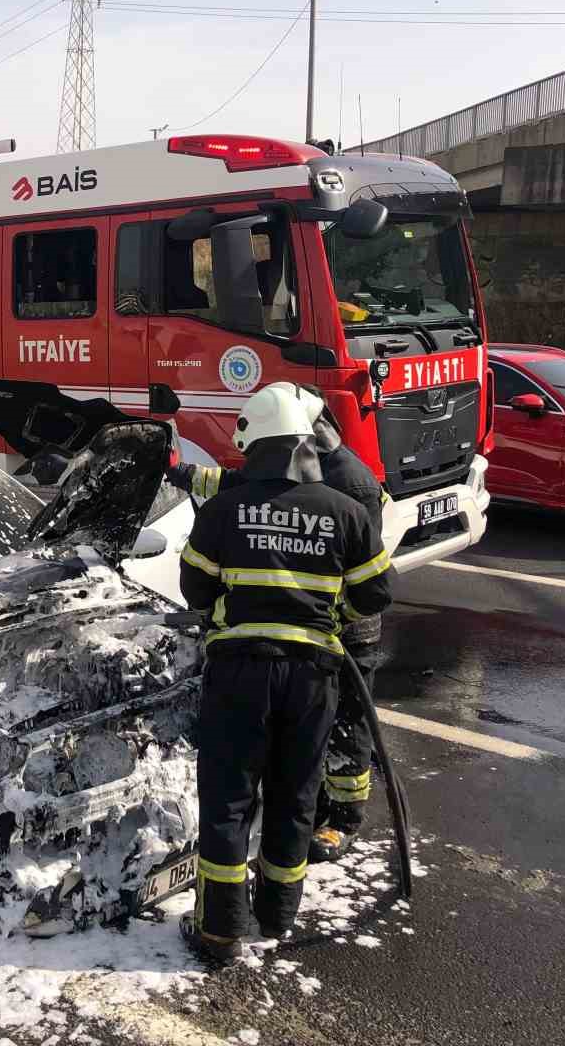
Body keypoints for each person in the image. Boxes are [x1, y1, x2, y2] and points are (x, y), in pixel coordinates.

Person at [177, 382, 392, 959]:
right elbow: (376, 594)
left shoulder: (225, 509)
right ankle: (277, 916)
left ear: (256, 447)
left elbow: (195, 589)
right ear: (305, 445)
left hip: (240, 673)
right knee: (295, 793)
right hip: (313, 676)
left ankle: (220, 930)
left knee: (228, 796)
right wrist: (330, 613)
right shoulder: (345, 510)